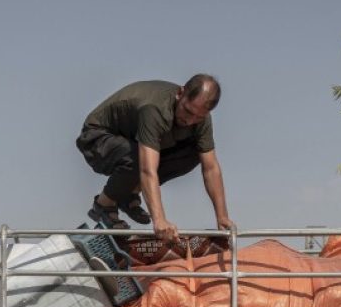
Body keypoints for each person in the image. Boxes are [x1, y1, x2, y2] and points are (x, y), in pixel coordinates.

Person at [76, 76, 233, 244]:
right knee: (138, 157)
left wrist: (222, 217)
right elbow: (147, 169)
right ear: (180, 93)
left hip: (133, 143)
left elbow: (210, 168)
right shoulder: (154, 109)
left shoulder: (201, 119)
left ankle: (129, 192)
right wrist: (160, 220)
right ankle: (104, 204)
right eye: (187, 111)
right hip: (97, 139)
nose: (190, 120)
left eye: (198, 117)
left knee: (197, 152)